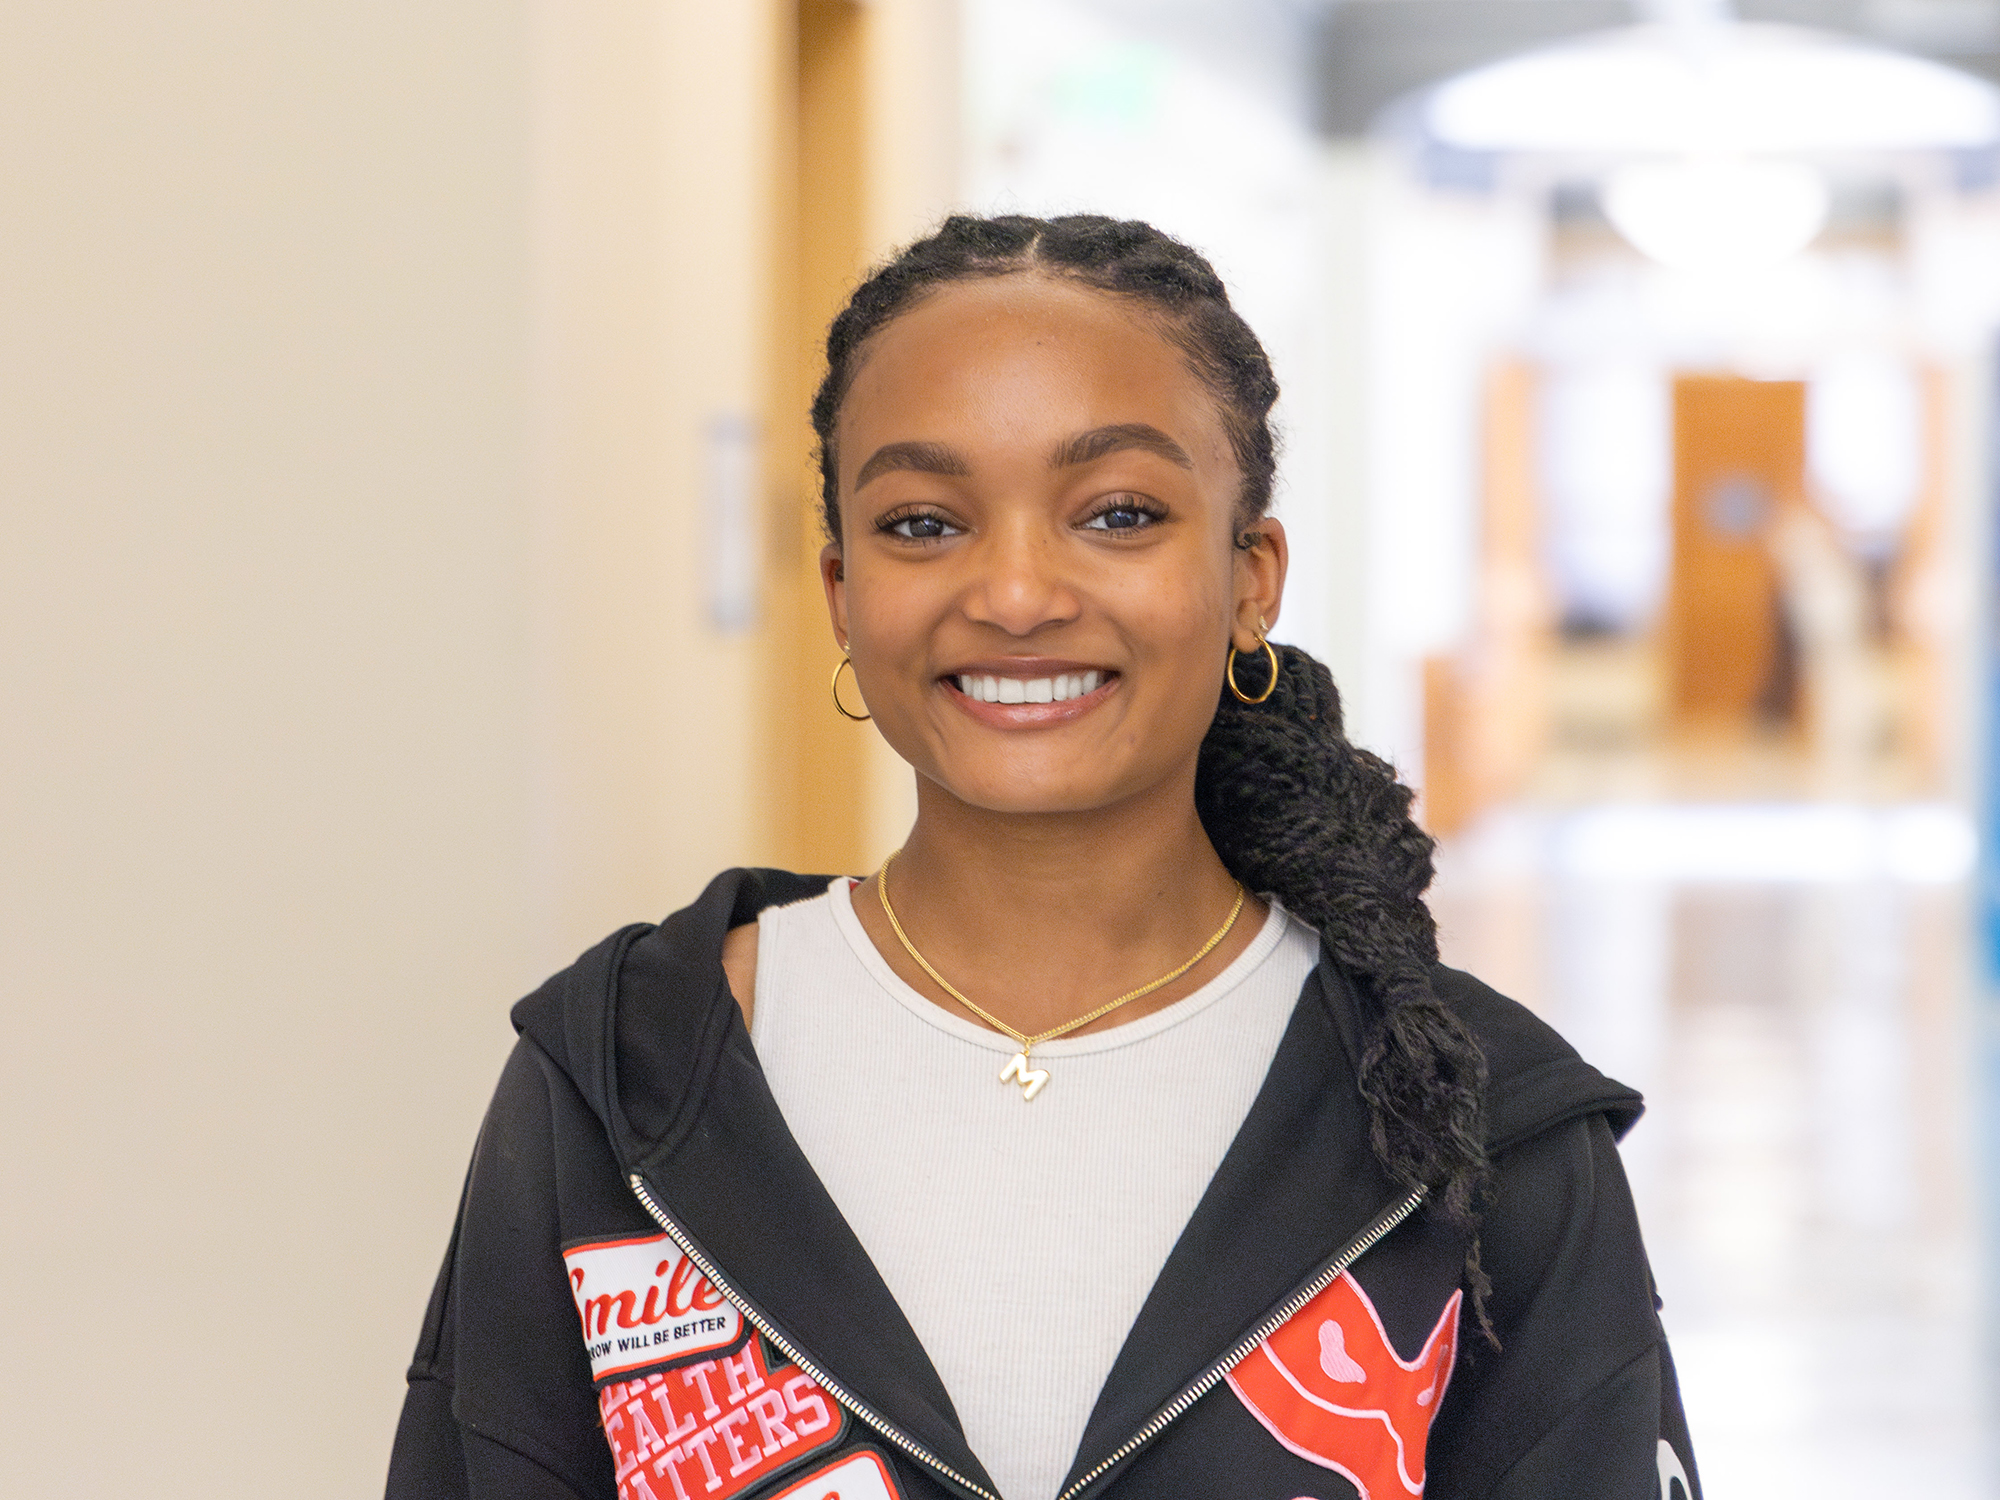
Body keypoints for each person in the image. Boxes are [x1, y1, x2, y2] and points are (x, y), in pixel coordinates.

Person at [387, 214, 1701, 1500]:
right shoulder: (624, 1092)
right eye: (923, 524)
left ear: (1252, 578)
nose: (1015, 594)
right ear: (843, 593)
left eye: (1118, 513)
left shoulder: (1474, 1128)